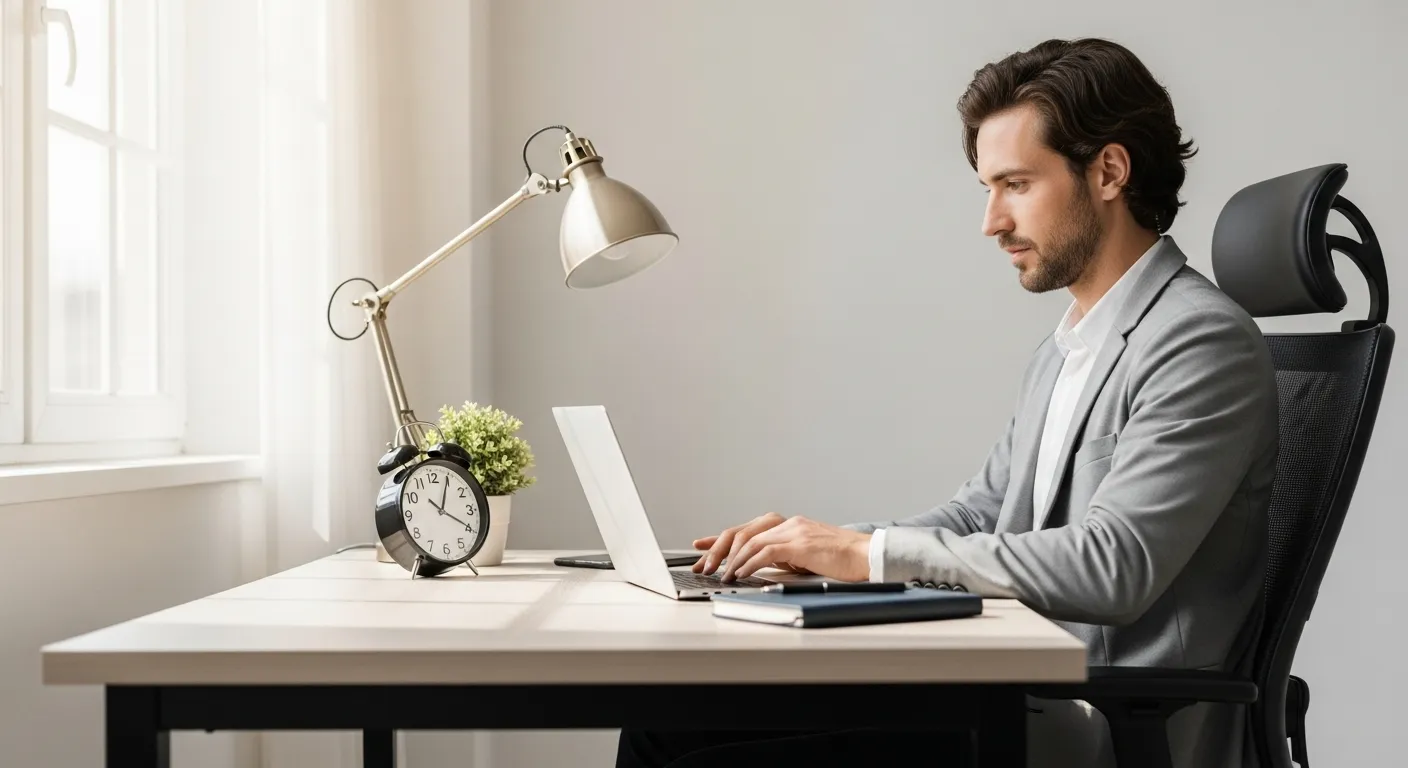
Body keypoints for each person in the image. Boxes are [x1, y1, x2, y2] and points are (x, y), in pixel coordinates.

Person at [616, 36, 1278, 768]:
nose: (991, 221)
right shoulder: (1068, 348)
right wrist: (815, 550)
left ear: (1109, 171)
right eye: (987, 190)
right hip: (1015, 690)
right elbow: (981, 512)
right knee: (663, 722)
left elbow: (1112, 566)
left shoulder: (1199, 342)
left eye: (1016, 184)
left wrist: (863, 555)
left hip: (1100, 723)